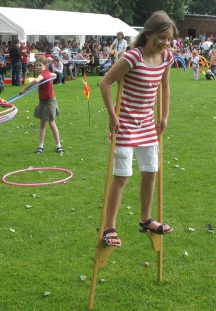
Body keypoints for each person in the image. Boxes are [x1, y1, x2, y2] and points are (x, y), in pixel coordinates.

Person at [99, 10, 176, 247]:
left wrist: (163, 115)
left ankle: (146, 219)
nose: (164, 43)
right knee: (122, 176)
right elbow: (105, 83)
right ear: (148, 33)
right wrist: (113, 117)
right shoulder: (134, 57)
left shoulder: (166, 58)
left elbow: (164, 86)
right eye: (161, 37)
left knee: (150, 171)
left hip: (147, 124)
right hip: (124, 123)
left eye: (168, 38)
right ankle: (109, 227)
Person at [19, 56, 64, 154]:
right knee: (42, 124)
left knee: (52, 124)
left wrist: (24, 89)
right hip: (42, 101)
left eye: (40, 65)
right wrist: (53, 74)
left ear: (46, 66)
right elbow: (53, 74)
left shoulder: (43, 74)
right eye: (36, 65)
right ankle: (40, 146)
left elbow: (36, 81)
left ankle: (58, 146)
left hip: (49, 102)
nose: (38, 67)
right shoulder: (46, 73)